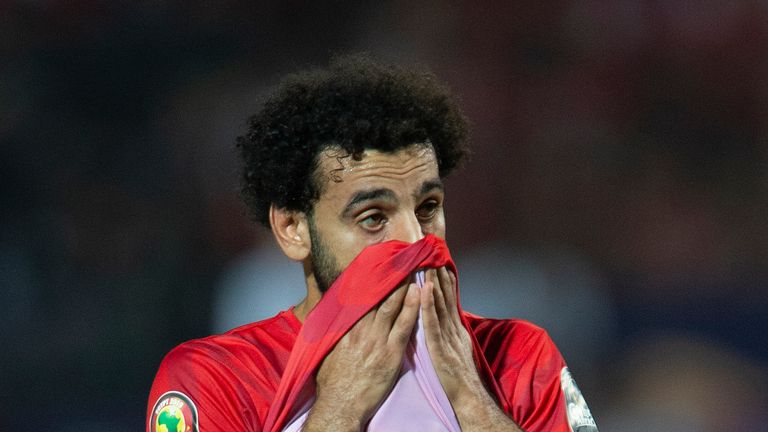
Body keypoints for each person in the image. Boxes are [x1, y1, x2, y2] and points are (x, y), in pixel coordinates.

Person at [146, 55, 598, 432]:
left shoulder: (516, 356)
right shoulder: (214, 379)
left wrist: (468, 395)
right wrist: (339, 409)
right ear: (292, 228)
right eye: (373, 217)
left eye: (427, 207)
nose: (414, 239)